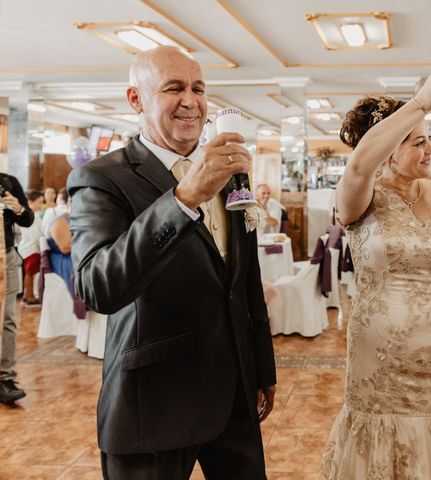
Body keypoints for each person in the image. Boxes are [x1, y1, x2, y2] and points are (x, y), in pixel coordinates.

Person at [67, 46, 276, 479]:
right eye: (174, 88)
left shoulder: (228, 171)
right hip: (153, 403)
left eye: (198, 88)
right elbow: (96, 287)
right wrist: (183, 199)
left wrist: (261, 367)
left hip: (234, 397)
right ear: (136, 99)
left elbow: (244, 280)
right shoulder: (102, 178)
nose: (191, 100)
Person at [319, 64, 431, 479]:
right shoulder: (358, 199)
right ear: (389, 150)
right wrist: (422, 101)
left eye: (429, 140)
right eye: (419, 142)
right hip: (383, 367)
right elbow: (360, 166)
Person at [0, 173, 34, 405]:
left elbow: (28, 219)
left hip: (6, 258)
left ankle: (5, 380)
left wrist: (19, 209)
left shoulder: (7, 182)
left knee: (7, 319)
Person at [18, 190, 44, 306]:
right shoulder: (29, 216)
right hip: (31, 248)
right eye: (39, 202)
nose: (41, 205)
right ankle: (30, 297)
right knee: (30, 273)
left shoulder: (32, 215)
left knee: (30, 273)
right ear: (30, 202)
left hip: (31, 248)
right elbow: (35, 235)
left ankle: (26, 296)